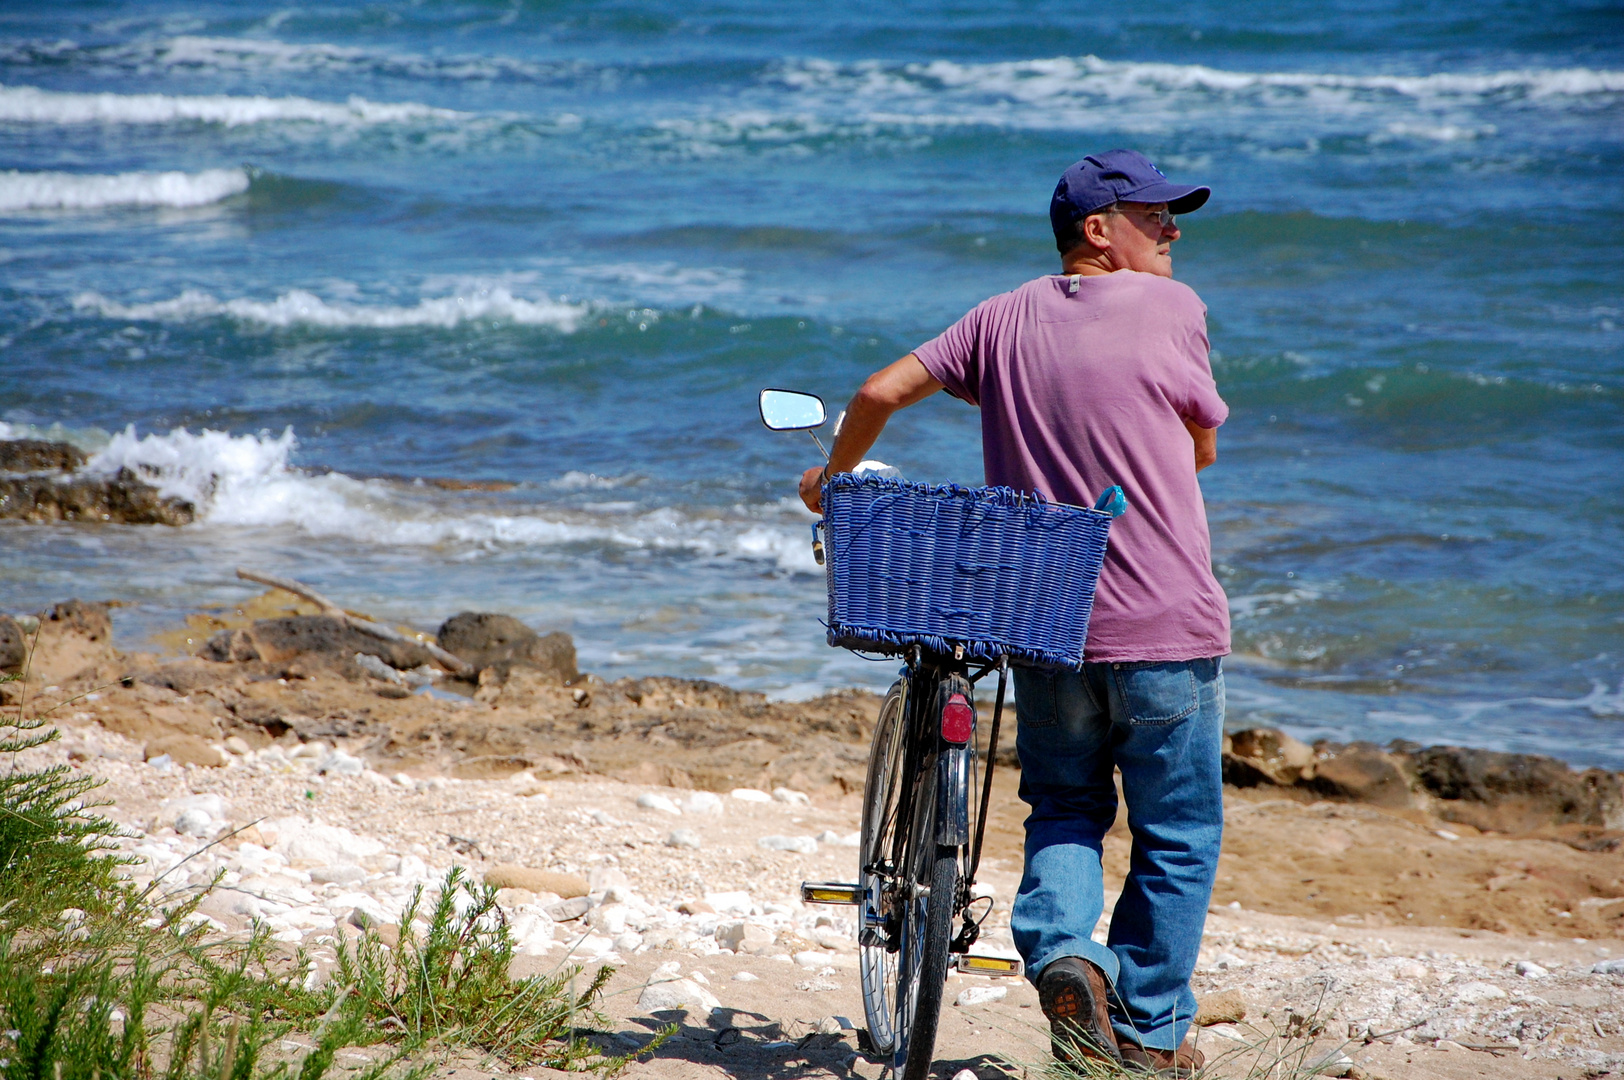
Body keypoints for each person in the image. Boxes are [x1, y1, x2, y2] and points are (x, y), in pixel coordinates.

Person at [797, 150, 1228, 1077]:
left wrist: (830, 483)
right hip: (1166, 622)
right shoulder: (1176, 309)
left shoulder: (1000, 317)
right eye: (1157, 217)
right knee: (1178, 829)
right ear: (1099, 231)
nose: (1173, 231)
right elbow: (1202, 449)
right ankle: (1149, 1033)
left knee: (1065, 805)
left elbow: (877, 392)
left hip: (1047, 618)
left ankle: (1068, 954)